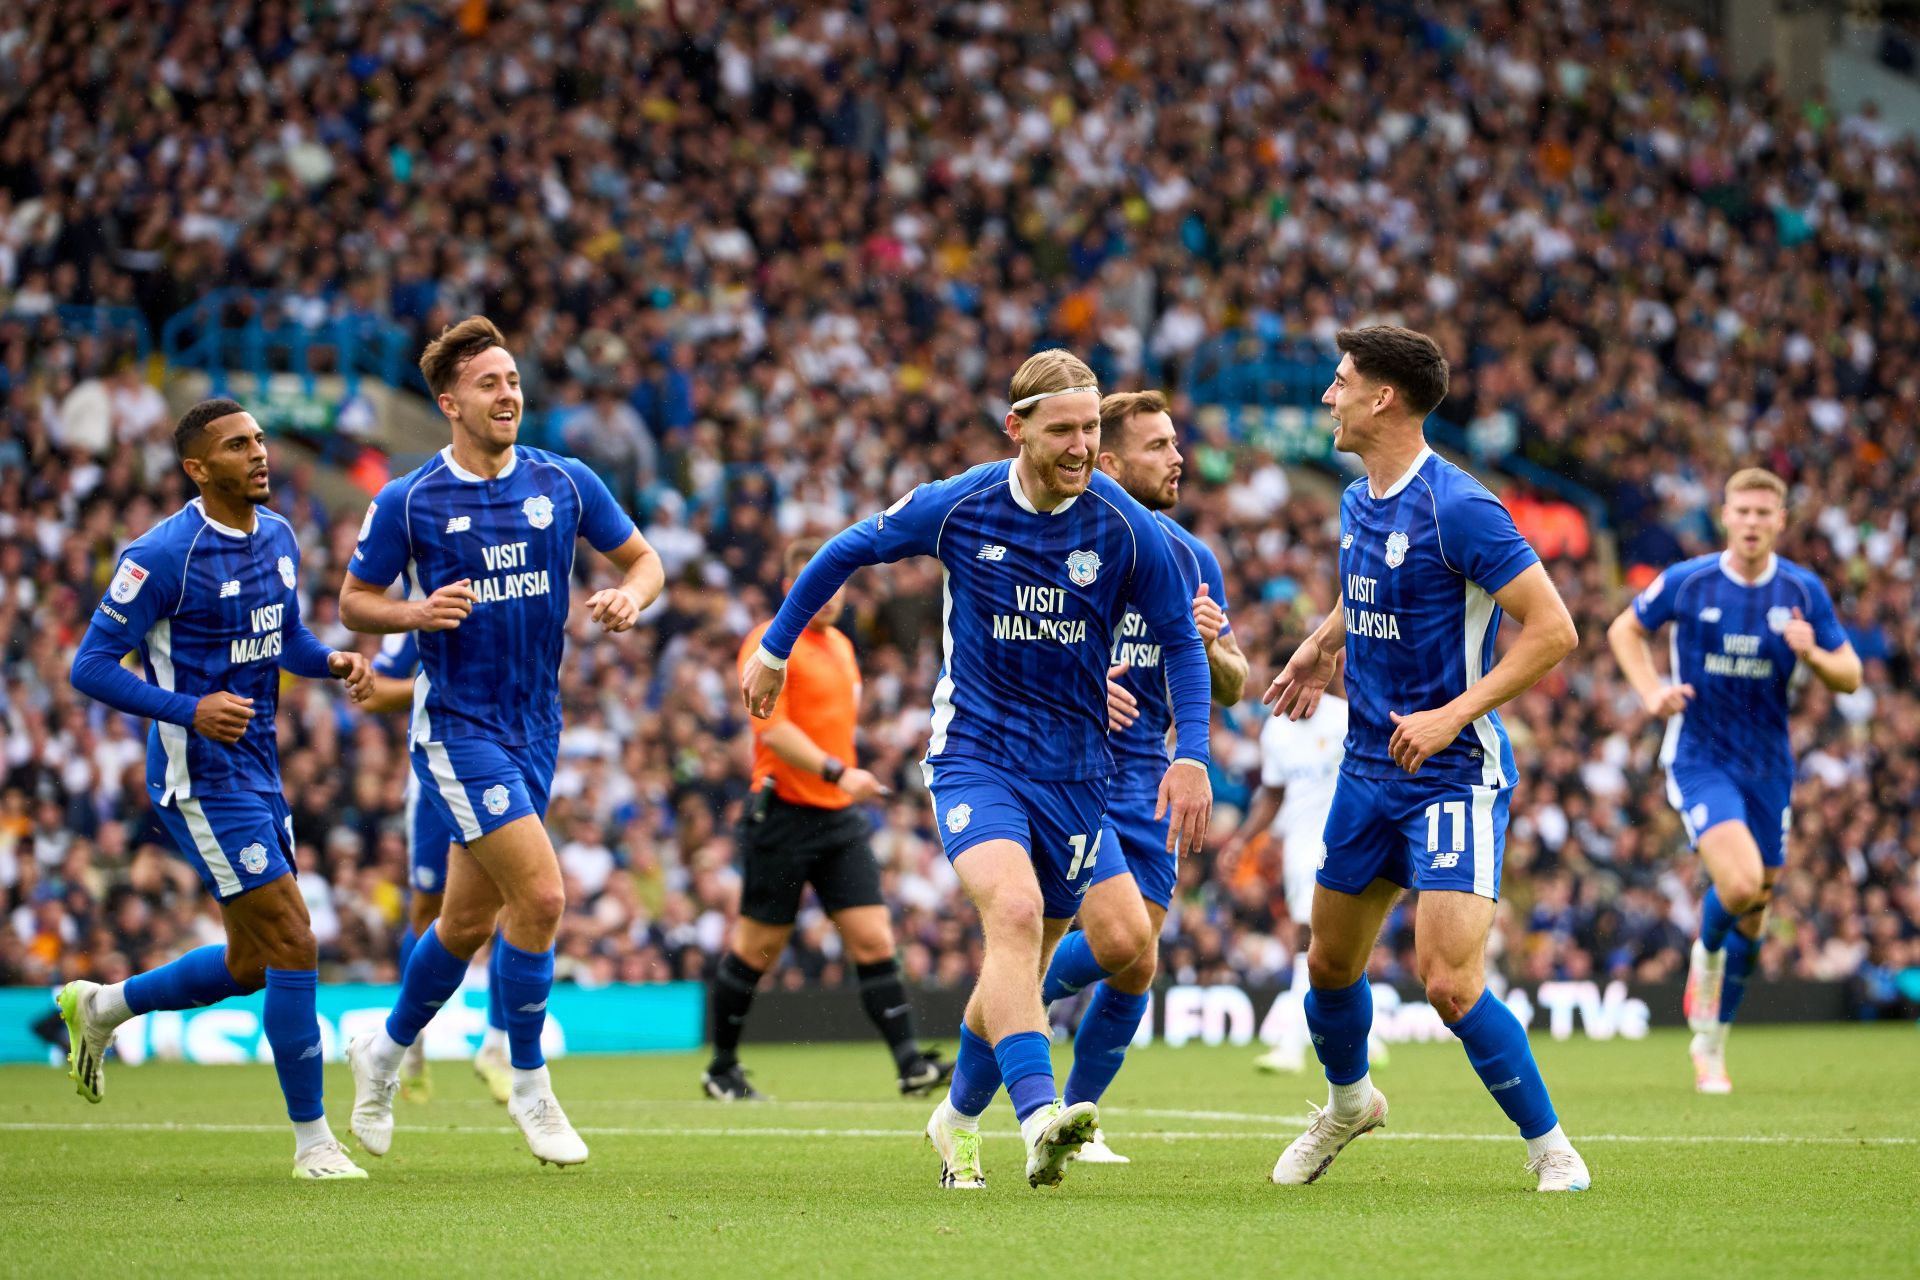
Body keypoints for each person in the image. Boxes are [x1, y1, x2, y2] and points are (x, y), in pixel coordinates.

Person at [740, 349, 1214, 1192]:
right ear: (1017, 428)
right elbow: (845, 550)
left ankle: (955, 1120)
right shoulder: (960, 504)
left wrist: (1191, 756)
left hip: (1077, 773)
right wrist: (776, 646)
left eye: (1091, 428)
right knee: (1016, 911)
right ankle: (1039, 1118)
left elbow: (1182, 641)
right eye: (1063, 428)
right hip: (976, 755)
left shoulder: (1124, 525)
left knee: (1023, 965)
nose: (1079, 446)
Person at [1263, 326, 1590, 1193]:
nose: (1327, 397)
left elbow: (1555, 632)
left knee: (1446, 980)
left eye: (1340, 383)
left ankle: (1550, 1146)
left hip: (1451, 773)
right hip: (1367, 770)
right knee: (1328, 966)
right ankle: (1348, 1106)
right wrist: (1321, 641)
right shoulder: (1356, 495)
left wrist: (1453, 713)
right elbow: (1368, 586)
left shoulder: (1463, 506)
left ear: (1384, 399)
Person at [337, 315, 664, 1168]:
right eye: (490, 383)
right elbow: (352, 602)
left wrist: (633, 596)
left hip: (536, 727)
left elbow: (646, 560)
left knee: (463, 920)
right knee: (544, 897)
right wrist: (413, 612)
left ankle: (384, 1048)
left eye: (513, 380)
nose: (509, 393)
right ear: (449, 403)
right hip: (457, 727)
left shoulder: (564, 481)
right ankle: (528, 1081)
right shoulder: (409, 500)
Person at [60, 397, 375, 1181]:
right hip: (197, 777)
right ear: (198, 468)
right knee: (296, 940)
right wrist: (189, 710)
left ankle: (102, 1007)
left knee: (255, 961)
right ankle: (313, 1145)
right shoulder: (162, 555)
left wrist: (330, 661)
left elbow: (285, 637)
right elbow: (89, 665)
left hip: (260, 768)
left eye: (261, 440)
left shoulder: (279, 535)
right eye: (238, 446)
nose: (259, 454)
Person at [1036, 389, 1249, 1164]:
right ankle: (1016, 1004)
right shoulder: (1063, 541)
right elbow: (1013, 652)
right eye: (1157, 446)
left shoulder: (1193, 558)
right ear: (1110, 463)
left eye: (1175, 443)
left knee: (1137, 960)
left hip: (1152, 783)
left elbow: (1234, 682)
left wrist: (1211, 646)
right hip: (1075, 773)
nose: (1178, 456)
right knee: (1125, 943)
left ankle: (1073, 1113)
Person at [1605, 467, 1860, 1093]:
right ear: (1724, 516)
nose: (1751, 522)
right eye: (1741, 511)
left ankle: (1711, 1044)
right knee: (1741, 882)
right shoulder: (1691, 581)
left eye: (1762, 513)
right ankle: (1704, 956)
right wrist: (1650, 692)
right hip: (1699, 757)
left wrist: (1815, 653)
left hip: (1770, 765)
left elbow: (1850, 674)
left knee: (1754, 909)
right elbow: (1624, 629)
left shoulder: (1802, 590)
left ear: (1780, 521)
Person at [704, 538, 954, 1102]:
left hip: (838, 819)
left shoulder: (842, 646)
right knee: (758, 948)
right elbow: (771, 729)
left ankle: (910, 1063)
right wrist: (841, 772)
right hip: (785, 813)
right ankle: (721, 1067)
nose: (830, 594)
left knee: (873, 937)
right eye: (816, 583)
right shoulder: (770, 642)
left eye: (835, 583)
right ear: (791, 586)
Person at [363, 628, 514, 1105]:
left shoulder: (526, 592)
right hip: (439, 776)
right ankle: (411, 1041)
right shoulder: (427, 610)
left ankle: (497, 1044)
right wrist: (439, 685)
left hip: (509, 771)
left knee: (519, 897)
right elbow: (373, 691)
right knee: (429, 911)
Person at [1221, 663, 1350, 1074]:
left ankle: (1294, 1045)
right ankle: (1358, 1039)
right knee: (1317, 944)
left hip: (1347, 844)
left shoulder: (1345, 718)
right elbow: (1273, 796)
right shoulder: (1277, 730)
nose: (1284, 691)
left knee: (1318, 943)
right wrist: (1242, 840)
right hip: (1300, 850)